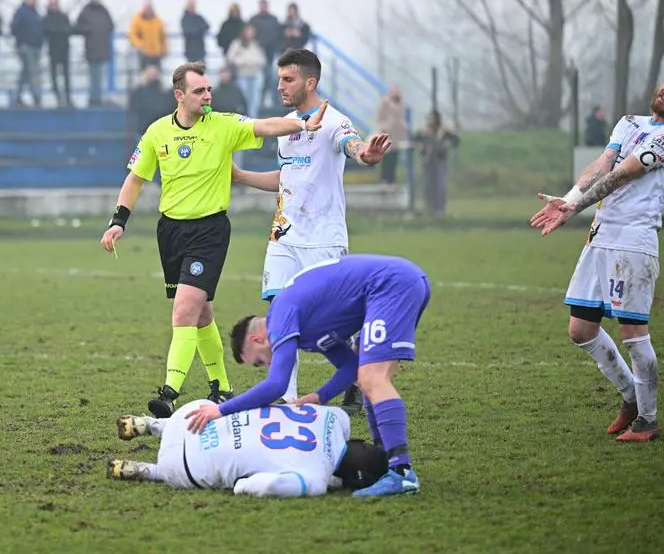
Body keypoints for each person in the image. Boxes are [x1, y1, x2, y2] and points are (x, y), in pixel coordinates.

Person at [98, 61, 329, 419]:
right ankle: (221, 386)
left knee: (184, 311)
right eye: (199, 91)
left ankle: (169, 393)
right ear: (179, 96)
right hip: (171, 232)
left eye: (209, 90)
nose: (207, 96)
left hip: (209, 232)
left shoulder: (223, 124)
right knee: (202, 313)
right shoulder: (157, 132)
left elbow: (264, 125)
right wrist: (118, 222)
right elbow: (135, 179)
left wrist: (303, 123)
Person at [530, 68, 664, 442]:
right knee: (580, 330)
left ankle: (648, 420)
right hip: (601, 236)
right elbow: (604, 165)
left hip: (632, 242)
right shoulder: (629, 122)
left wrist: (572, 210)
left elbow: (625, 173)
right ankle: (630, 396)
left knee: (633, 334)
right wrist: (570, 199)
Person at [185, 254, 432, 497]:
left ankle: (401, 471)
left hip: (389, 285)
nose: (268, 363)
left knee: (372, 378)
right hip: (399, 281)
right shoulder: (306, 330)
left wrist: (221, 410)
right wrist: (319, 396)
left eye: (261, 359)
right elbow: (350, 367)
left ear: (257, 338)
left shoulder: (280, 315)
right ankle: (386, 460)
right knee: (367, 378)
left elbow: (277, 385)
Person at [232, 48, 391, 411]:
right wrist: (239, 176)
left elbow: (353, 146)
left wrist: (367, 153)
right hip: (284, 237)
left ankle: (354, 382)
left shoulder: (334, 121)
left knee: (340, 318)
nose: (280, 86)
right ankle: (285, 396)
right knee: (279, 314)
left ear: (310, 82)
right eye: (279, 79)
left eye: (288, 80)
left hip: (323, 239)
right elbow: (285, 177)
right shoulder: (287, 127)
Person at [107, 400, 388, 498]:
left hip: (188, 416)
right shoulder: (312, 478)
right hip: (184, 465)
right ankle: (146, 471)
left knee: (213, 413)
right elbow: (248, 487)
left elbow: (342, 426)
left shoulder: (336, 417)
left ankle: (153, 424)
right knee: (217, 474)